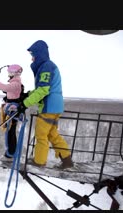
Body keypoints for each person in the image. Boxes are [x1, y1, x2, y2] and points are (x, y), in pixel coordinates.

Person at [17, 40, 73, 169]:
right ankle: (67, 159)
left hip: (49, 107)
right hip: (55, 106)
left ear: (39, 54)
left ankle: (39, 161)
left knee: (41, 135)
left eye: (33, 55)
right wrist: (28, 95)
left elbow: (43, 90)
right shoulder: (49, 65)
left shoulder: (46, 67)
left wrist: (24, 104)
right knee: (52, 134)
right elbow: (43, 88)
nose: (32, 59)